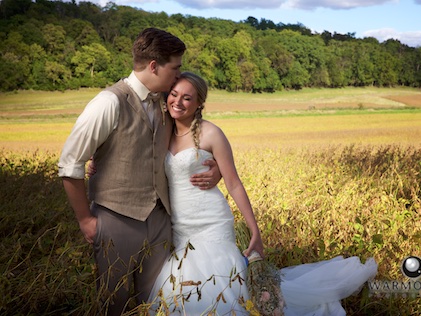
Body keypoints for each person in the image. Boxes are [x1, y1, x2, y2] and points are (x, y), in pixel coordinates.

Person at [146, 72, 378, 316]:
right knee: (181, 291)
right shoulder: (164, 130)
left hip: (211, 223)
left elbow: (234, 183)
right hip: (180, 227)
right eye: (174, 95)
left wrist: (254, 230)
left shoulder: (211, 133)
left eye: (187, 98)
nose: (178, 102)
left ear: (199, 104)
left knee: (218, 289)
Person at [58, 29, 221, 316]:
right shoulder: (109, 102)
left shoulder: (166, 101)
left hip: (160, 220)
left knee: (157, 302)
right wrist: (86, 220)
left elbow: (192, 141)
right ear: (154, 66)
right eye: (176, 67)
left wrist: (216, 168)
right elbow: (70, 164)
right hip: (116, 219)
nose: (179, 74)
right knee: (113, 303)